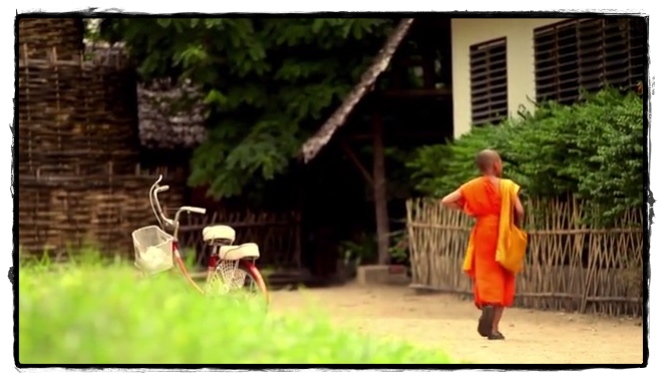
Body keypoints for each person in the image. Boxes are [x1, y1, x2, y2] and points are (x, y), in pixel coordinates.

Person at [440, 149, 524, 340]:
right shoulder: (507, 186)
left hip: (482, 232)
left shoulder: (472, 186)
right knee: (503, 275)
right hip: (502, 233)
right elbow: (519, 210)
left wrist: (467, 209)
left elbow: (446, 201)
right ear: (496, 165)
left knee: (486, 273)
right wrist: (515, 227)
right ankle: (494, 329)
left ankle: (487, 303)